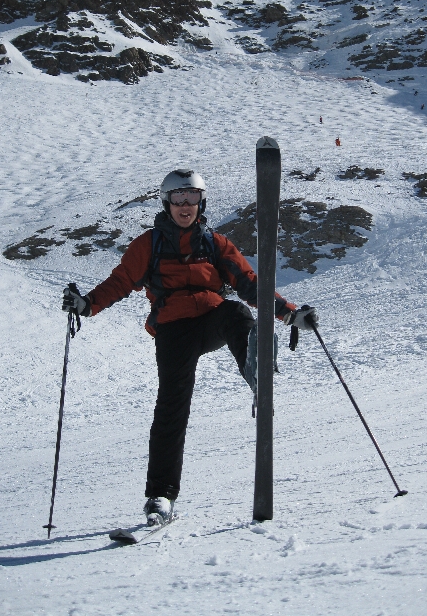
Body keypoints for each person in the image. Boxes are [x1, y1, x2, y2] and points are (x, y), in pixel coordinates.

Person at [62, 169, 318, 526]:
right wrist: (87, 304)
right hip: (172, 329)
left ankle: (258, 375)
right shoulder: (149, 244)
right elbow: (121, 281)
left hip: (211, 318)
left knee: (236, 311)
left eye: (192, 199)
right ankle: (161, 496)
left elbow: (247, 281)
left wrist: (289, 314)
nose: (186, 206)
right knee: (172, 407)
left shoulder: (214, 243)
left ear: (201, 202)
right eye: (179, 200)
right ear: (167, 203)